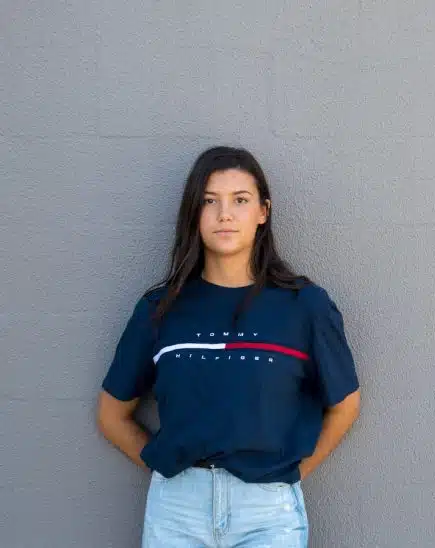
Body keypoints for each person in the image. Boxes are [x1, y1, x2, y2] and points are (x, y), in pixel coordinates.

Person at [96, 145, 361, 548]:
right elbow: (112, 415)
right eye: (209, 201)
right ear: (194, 214)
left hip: (268, 515)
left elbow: (345, 405)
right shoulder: (160, 309)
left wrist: (287, 475)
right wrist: (170, 470)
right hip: (176, 513)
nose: (225, 214)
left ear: (262, 212)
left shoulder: (304, 306)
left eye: (240, 200)